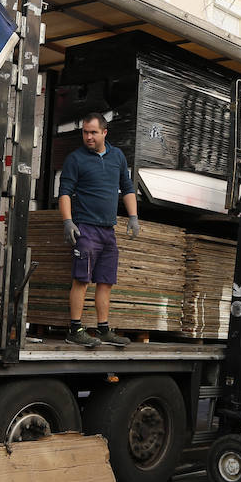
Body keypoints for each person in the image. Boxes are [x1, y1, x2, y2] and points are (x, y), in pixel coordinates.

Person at [58, 113, 139, 347]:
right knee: (81, 280)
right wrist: (68, 221)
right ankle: (75, 329)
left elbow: (127, 188)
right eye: (85, 132)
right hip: (86, 229)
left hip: (108, 231)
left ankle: (103, 329)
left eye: (93, 132)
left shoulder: (118, 156)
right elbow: (65, 192)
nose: (88, 136)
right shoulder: (76, 159)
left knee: (106, 282)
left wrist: (133, 217)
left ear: (105, 132)